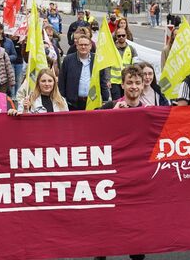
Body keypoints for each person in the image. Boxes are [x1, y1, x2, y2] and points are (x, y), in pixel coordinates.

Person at [94, 67, 146, 260]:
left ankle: (137, 253)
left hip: (137, 177)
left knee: (135, 219)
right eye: (130, 83)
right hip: (111, 175)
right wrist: (110, 114)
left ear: (143, 86)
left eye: (137, 83)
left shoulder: (148, 111)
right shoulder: (110, 106)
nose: (133, 87)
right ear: (122, 84)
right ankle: (102, 253)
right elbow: (87, 127)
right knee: (107, 219)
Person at [59, 35, 109, 110]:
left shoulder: (97, 60)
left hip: (92, 102)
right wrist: (61, 99)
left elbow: (102, 81)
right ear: (76, 46)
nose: (83, 47)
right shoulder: (68, 60)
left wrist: (105, 99)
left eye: (86, 45)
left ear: (90, 46)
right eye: (81, 45)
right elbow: (62, 81)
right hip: (73, 104)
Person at [110, 27, 138, 100]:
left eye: (123, 35)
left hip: (128, 81)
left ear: (126, 36)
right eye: (119, 36)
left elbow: (136, 65)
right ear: (116, 37)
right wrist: (107, 80)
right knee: (117, 102)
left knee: (128, 101)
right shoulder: (112, 49)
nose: (121, 37)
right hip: (115, 82)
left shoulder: (132, 49)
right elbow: (107, 65)